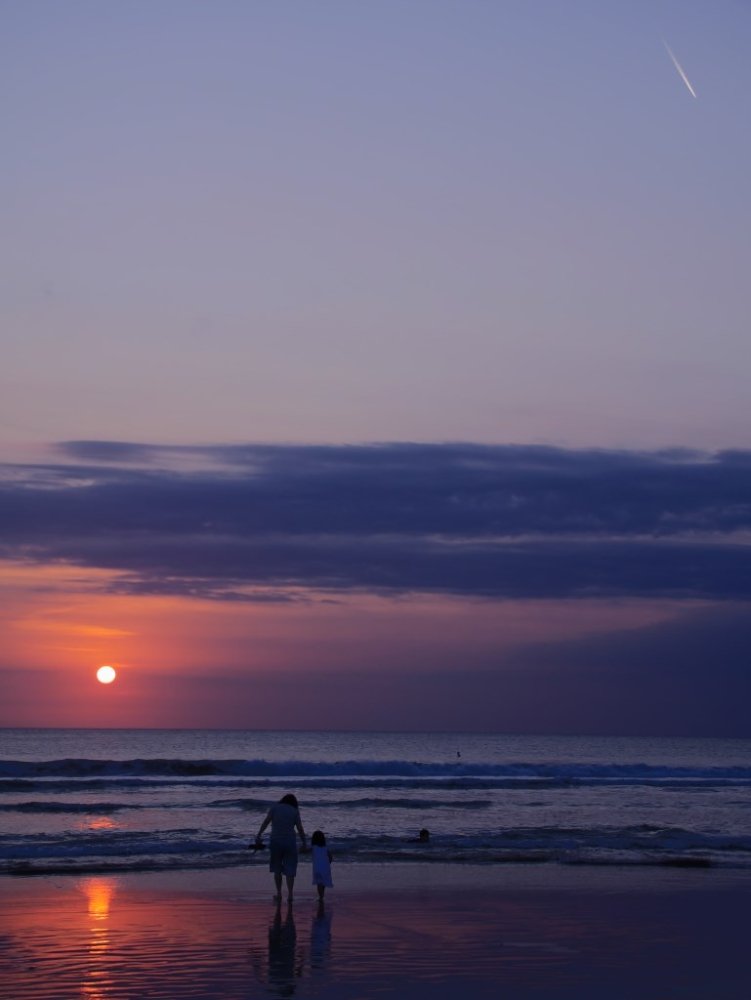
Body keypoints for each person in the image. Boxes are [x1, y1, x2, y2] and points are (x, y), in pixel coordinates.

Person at [254, 793, 307, 903]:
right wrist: (304, 842)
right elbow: (300, 829)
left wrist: (259, 834)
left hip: (276, 842)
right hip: (290, 842)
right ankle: (290, 895)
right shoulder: (294, 811)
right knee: (290, 869)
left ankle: (279, 894)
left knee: (277, 869)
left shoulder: (274, 808)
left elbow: (266, 822)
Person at [310, 829, 333, 903]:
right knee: (323, 883)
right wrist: (328, 863)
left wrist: (300, 850)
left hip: (317, 868)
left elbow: (306, 850)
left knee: (319, 883)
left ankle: (320, 897)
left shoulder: (314, 847)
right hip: (325, 867)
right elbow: (330, 857)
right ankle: (321, 896)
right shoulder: (325, 848)